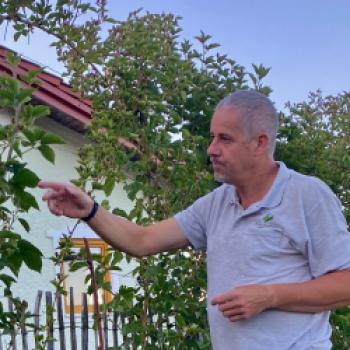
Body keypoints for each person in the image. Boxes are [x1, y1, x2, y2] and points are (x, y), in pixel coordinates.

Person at [39, 90, 350, 350]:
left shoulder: (306, 195)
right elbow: (142, 240)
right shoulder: (216, 204)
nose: (211, 149)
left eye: (225, 139)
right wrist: (90, 210)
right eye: (212, 137)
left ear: (259, 142)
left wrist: (268, 296)